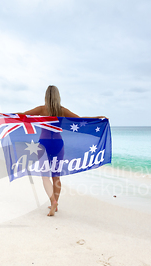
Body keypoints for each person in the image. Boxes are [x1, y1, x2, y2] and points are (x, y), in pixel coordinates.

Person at [18, 85, 107, 216]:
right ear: (57, 97)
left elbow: (22, 116)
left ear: (46, 96)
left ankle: (53, 201)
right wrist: (97, 118)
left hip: (44, 144)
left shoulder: (41, 109)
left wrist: (5, 116)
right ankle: (56, 204)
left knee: (45, 177)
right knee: (56, 176)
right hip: (58, 145)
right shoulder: (62, 110)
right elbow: (81, 120)